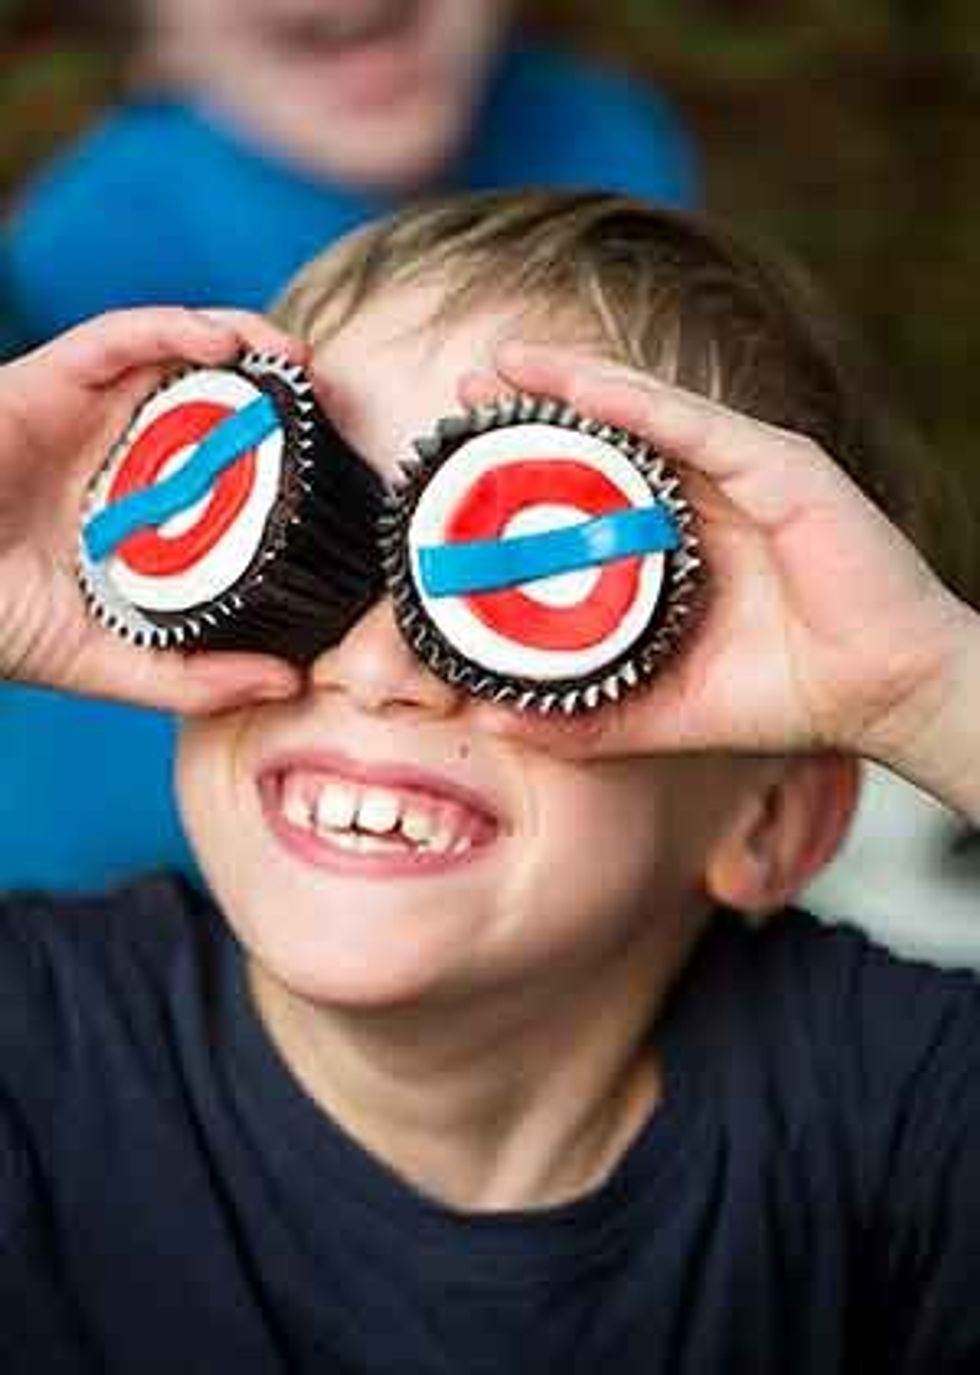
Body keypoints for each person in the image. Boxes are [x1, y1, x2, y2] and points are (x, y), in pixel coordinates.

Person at [0, 191, 978, 1371]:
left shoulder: (891, 1121)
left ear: (768, 819)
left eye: (514, 591)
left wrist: (926, 692)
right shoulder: (35, 1042)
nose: (372, 666)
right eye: (306, 556)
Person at [2, 0, 700, 892]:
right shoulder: (82, 236)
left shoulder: (605, 134)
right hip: (113, 861)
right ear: (153, 34)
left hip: (495, 860)